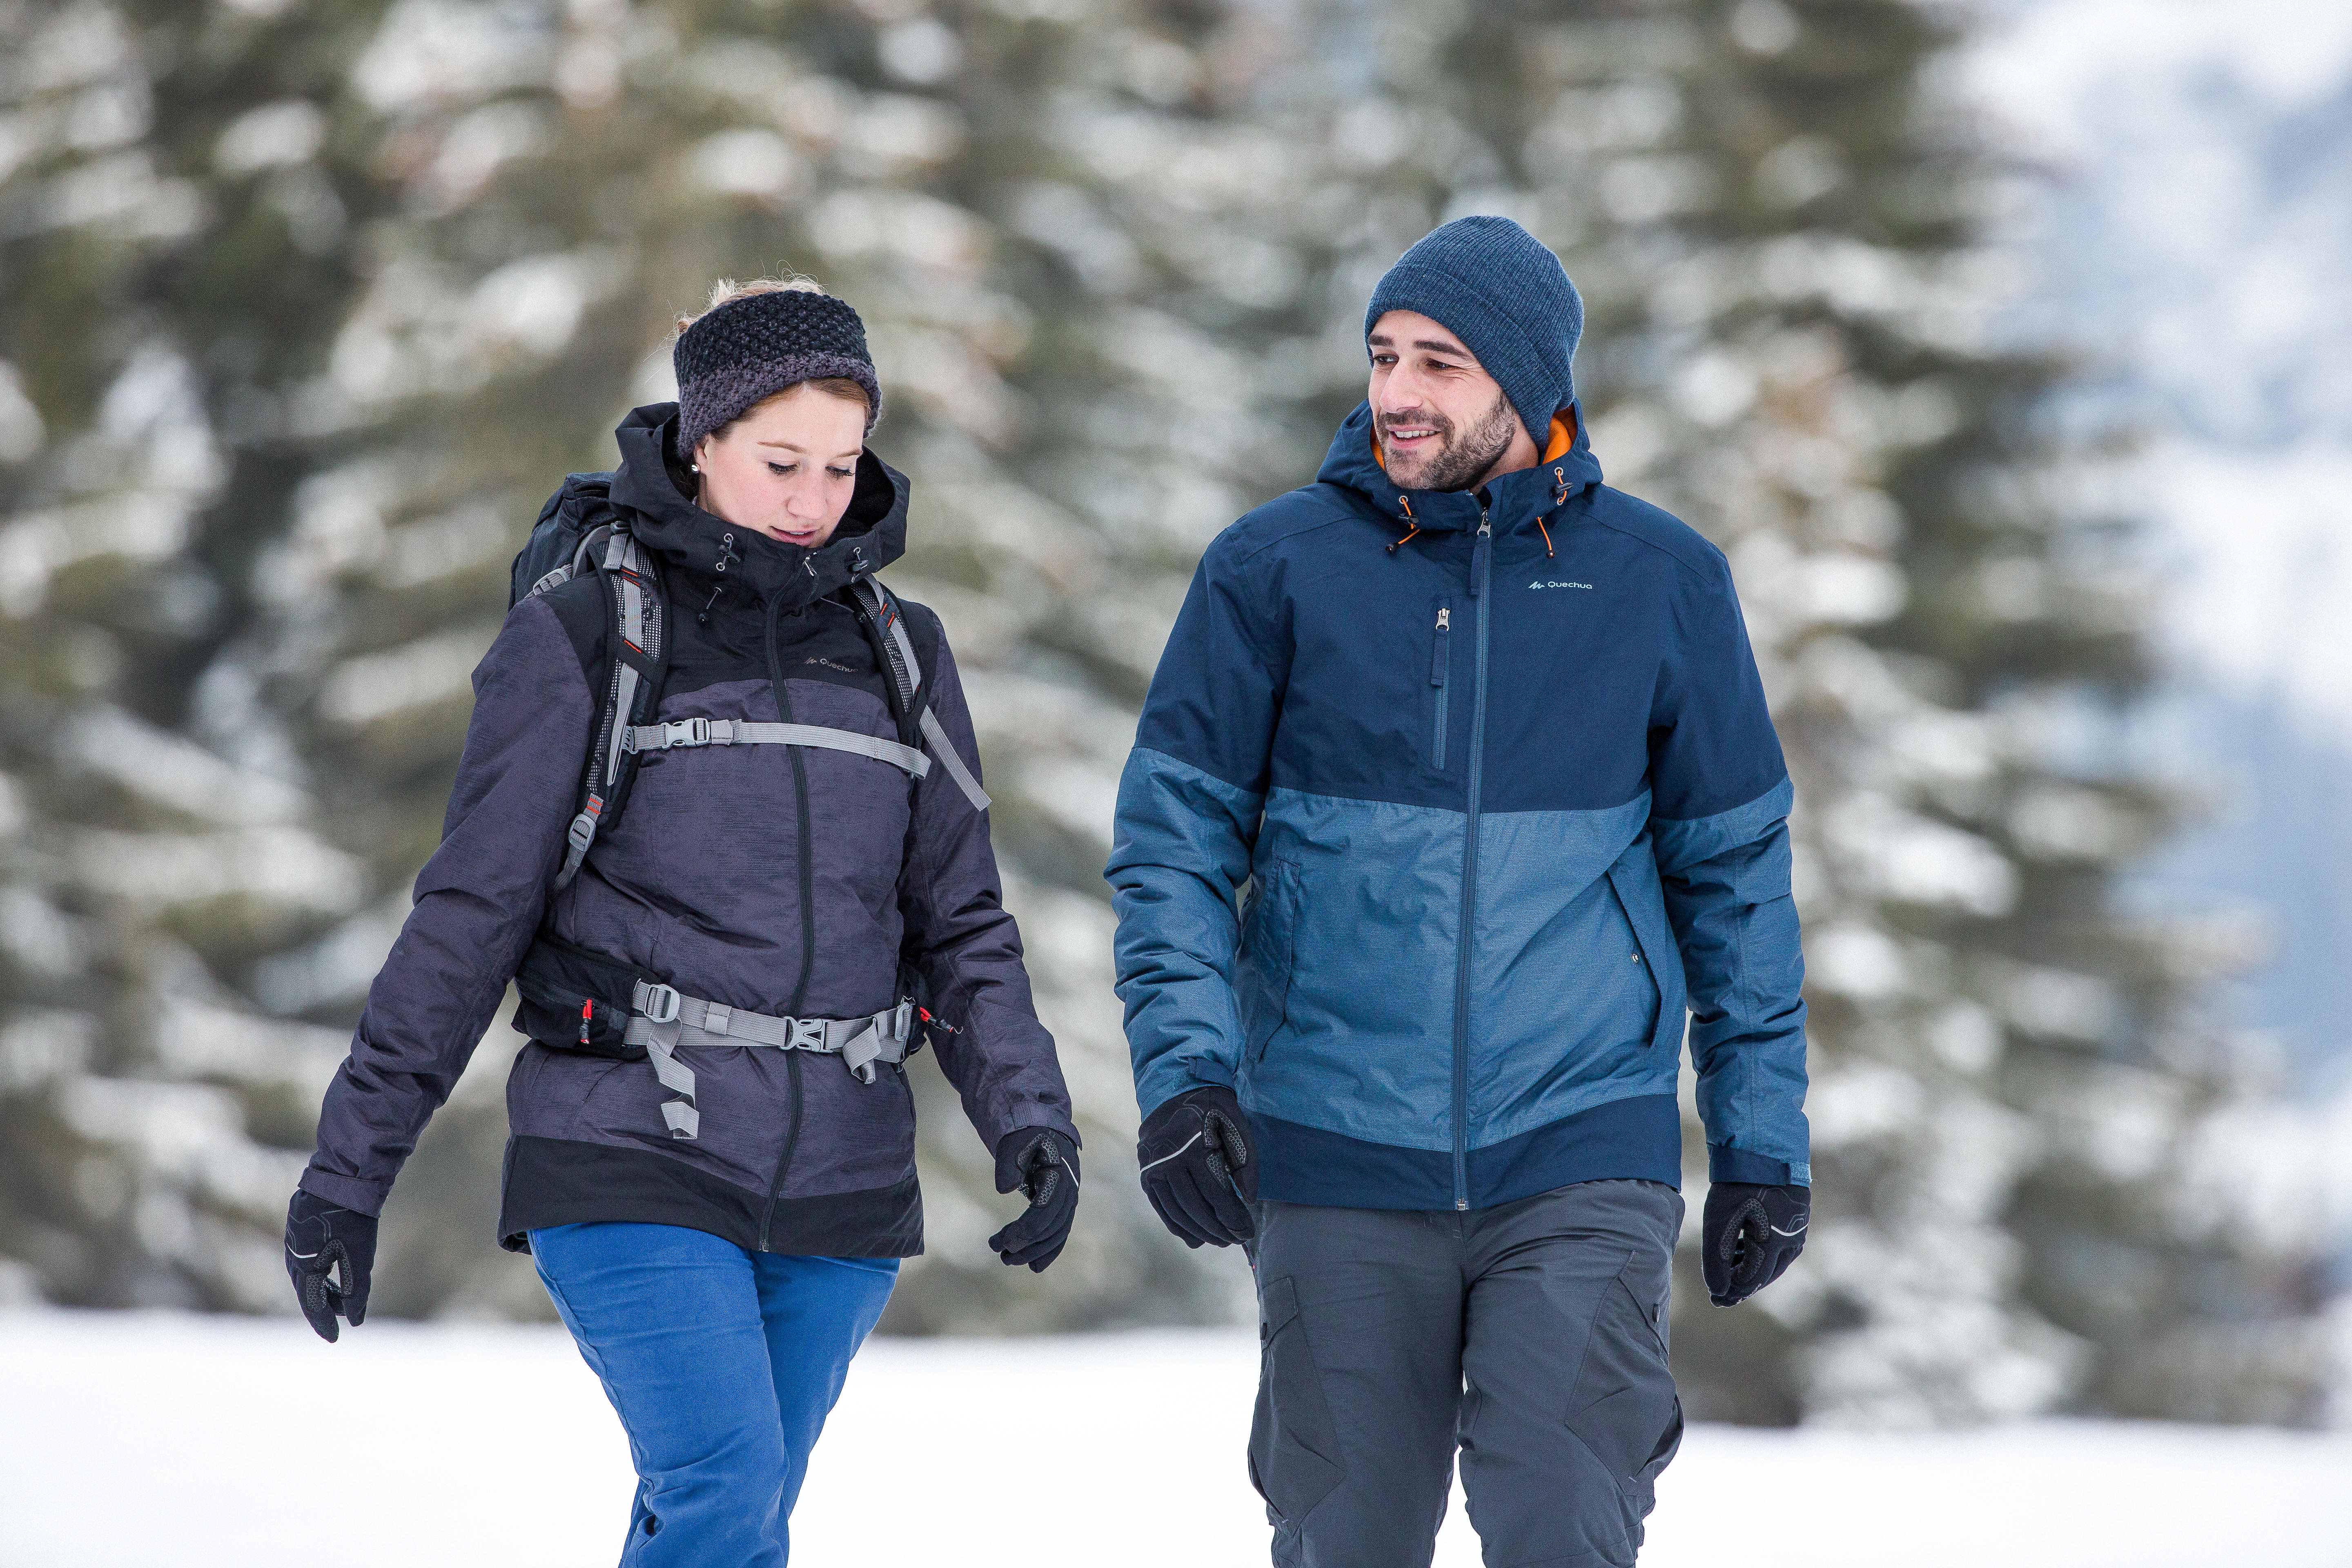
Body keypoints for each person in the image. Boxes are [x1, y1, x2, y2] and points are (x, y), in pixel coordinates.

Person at [284, 277, 1081, 1564]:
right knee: (725, 1489)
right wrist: (348, 1173)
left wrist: (1032, 1119)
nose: (814, 498)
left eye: (841, 462)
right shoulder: (590, 635)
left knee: (722, 1510)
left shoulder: (901, 653)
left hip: (839, 1174)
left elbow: (962, 924)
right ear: (699, 438)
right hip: (629, 1143)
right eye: (779, 461)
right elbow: (470, 917)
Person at [1108, 216, 1811, 1566]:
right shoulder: (1271, 571)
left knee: (1561, 1508)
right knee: (1348, 1538)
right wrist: (1185, 1078)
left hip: (1578, 1137)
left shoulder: (1662, 583)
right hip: (1330, 1138)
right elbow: (1173, 847)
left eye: (1441, 362)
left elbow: (1733, 877)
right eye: (1383, 356)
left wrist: (1762, 1139)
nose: (1398, 394)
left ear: (1530, 388)